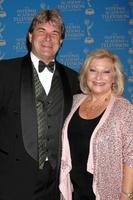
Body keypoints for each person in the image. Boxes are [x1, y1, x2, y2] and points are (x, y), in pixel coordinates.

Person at [0, 9, 80, 200]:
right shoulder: (4, 71)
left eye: (55, 34)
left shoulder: (73, 78)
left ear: (61, 41)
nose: (47, 38)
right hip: (11, 177)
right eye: (41, 31)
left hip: (53, 179)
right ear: (30, 36)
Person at [59, 49, 133, 200]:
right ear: (86, 75)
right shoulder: (74, 102)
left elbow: (130, 157)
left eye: (106, 72)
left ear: (114, 77)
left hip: (108, 194)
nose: (98, 77)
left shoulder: (124, 109)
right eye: (93, 70)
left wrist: (126, 195)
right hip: (75, 192)